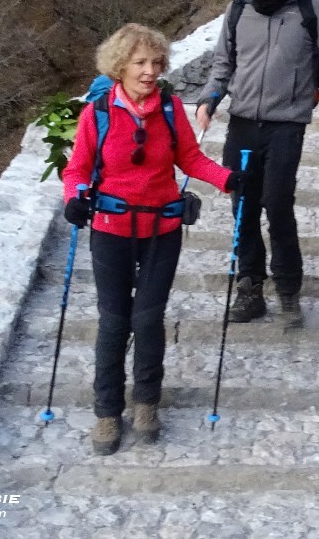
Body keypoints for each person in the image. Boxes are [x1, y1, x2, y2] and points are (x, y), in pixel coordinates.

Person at [62, 23, 235, 456]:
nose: (149, 71)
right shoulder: (97, 113)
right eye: (140, 63)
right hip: (110, 231)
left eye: (156, 63)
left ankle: (146, 404)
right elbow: (77, 170)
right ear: (120, 66)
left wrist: (228, 178)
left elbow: (190, 158)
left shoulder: (172, 108)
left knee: (147, 318)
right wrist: (75, 199)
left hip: (162, 229)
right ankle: (106, 411)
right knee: (114, 320)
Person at [196, 0, 319, 325]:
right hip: (243, 123)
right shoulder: (238, 10)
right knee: (242, 206)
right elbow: (222, 65)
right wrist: (209, 99)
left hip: (287, 126)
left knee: (278, 205)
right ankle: (249, 287)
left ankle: (288, 290)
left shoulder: (309, 9)